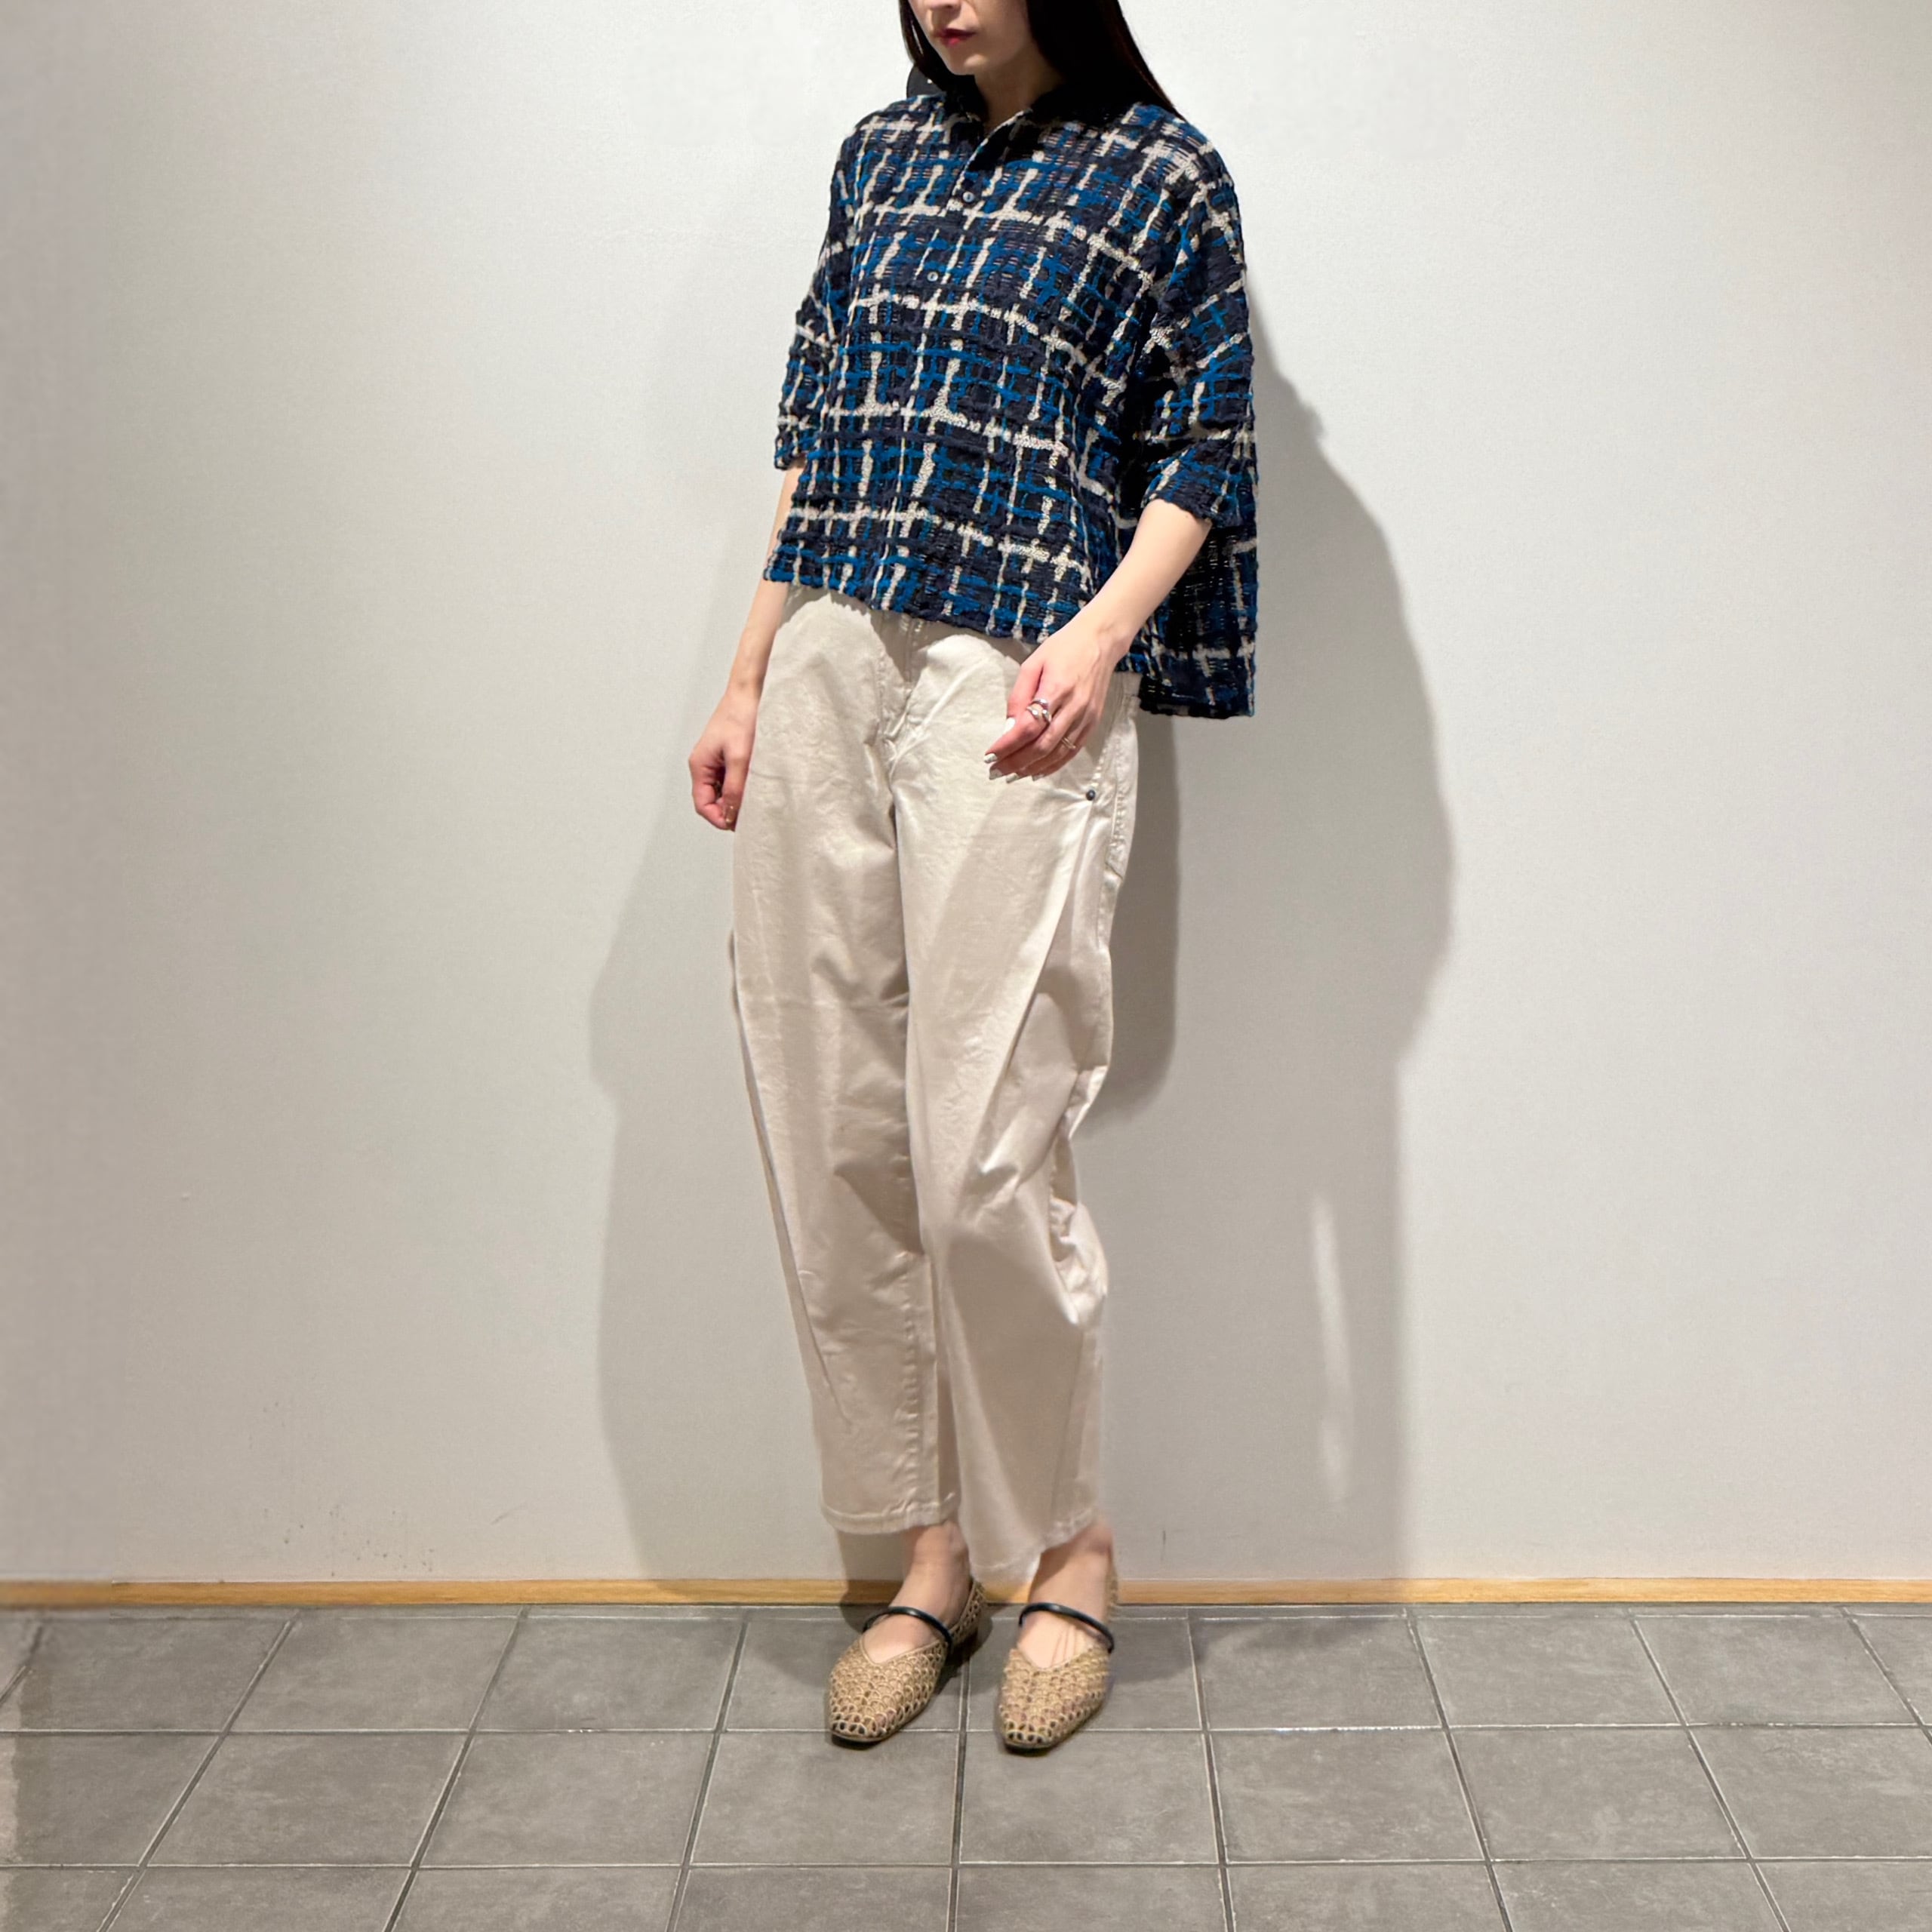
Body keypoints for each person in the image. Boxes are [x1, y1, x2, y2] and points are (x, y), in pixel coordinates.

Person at [689, 0, 1257, 1752]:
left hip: (1010, 664)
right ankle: (926, 1551)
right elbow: (814, 424)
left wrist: (1099, 636)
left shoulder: (1160, 173)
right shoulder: (876, 156)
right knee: (830, 1116)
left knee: (982, 1142)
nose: (946, 0)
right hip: (829, 649)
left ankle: (1065, 1549)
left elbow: (1202, 445)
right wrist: (744, 671)